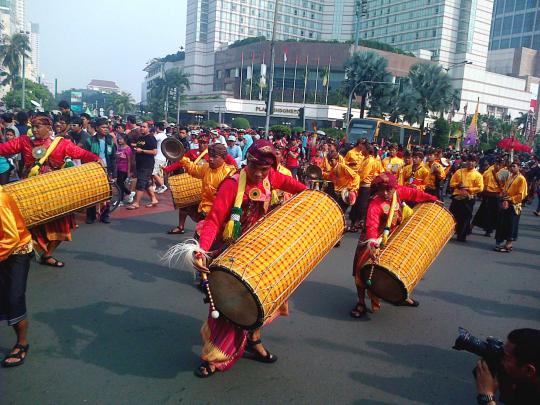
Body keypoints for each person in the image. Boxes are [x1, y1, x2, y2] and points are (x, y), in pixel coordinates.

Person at [188, 140, 306, 378]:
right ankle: (214, 356)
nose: (259, 173)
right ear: (247, 162)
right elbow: (213, 221)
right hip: (232, 252)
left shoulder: (273, 177)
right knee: (226, 307)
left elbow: (304, 192)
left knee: (264, 299)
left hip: (261, 252)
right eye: (255, 167)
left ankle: (253, 339)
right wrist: (201, 250)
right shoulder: (231, 185)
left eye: (264, 169)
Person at [0, 115, 100, 267]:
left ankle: (47, 255)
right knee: (21, 225)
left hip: (54, 193)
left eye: (38, 127)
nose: (34, 130)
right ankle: (19, 255)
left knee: (63, 225)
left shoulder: (61, 144)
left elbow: (81, 154)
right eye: (33, 127)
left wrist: (97, 159)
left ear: (49, 128)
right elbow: (3, 149)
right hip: (29, 193)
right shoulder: (24, 141)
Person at [350, 173, 438, 318]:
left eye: (389, 189)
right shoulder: (375, 204)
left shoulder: (399, 192)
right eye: (381, 190)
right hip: (374, 240)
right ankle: (360, 302)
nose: (385, 193)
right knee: (361, 270)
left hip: (395, 236)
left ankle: (402, 296)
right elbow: (372, 225)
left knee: (404, 266)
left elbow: (415, 194)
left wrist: (433, 199)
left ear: (394, 187)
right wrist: (372, 244)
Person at [165, 143, 236, 235]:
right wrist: (181, 158)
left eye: (215, 157)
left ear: (223, 158)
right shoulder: (206, 168)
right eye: (210, 156)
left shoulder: (230, 173)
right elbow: (194, 169)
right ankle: (182, 227)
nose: (210, 159)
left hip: (220, 214)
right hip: (205, 210)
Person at [0, 185, 33, 367]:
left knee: (14, 297)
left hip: (17, 250)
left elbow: (11, 238)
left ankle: (22, 343)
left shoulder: (1, 201)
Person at [474, 328, 540, 404]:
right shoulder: (527, 383)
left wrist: (486, 397)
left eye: (506, 357)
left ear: (529, 370)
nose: (501, 361)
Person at [84, 118, 117, 224]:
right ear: (97, 128)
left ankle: (105, 215)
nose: (106, 129)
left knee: (107, 194)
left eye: (107, 127)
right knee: (92, 194)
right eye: (103, 127)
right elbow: (85, 157)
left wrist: (114, 173)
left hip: (107, 170)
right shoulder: (89, 141)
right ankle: (91, 216)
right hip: (93, 171)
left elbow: (113, 158)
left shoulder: (110, 141)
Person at [494, 161, 527, 253]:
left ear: (519, 167)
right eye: (511, 166)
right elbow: (506, 188)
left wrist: (510, 199)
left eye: (514, 166)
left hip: (514, 205)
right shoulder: (511, 177)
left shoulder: (521, 179)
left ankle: (509, 244)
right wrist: (503, 194)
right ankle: (504, 243)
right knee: (505, 223)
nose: (512, 168)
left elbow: (522, 195)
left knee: (512, 224)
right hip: (506, 202)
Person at [449, 155, 484, 242]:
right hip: (457, 197)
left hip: (468, 198)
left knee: (465, 218)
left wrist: (469, 189)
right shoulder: (459, 171)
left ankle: (461, 235)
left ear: (476, 163)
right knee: (452, 216)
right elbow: (451, 183)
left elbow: (480, 188)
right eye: (469, 160)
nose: (470, 163)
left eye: (472, 161)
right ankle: (449, 233)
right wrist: (457, 185)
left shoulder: (478, 175)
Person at [349, 142, 381, 233]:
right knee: (356, 206)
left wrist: (353, 182)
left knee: (361, 207)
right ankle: (355, 223)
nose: (361, 151)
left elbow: (362, 175)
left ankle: (357, 224)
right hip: (360, 185)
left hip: (365, 186)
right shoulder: (365, 159)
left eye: (363, 149)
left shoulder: (370, 161)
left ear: (367, 150)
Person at [127, 121, 158, 210]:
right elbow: (139, 146)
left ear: (148, 128)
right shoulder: (141, 137)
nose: (142, 128)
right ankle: (154, 199)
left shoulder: (151, 138)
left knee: (140, 183)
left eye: (144, 127)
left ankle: (136, 203)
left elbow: (154, 152)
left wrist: (142, 151)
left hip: (147, 164)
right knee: (146, 182)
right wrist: (134, 146)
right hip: (140, 163)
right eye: (141, 126)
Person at [472, 158, 504, 237]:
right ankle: (471, 227)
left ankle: (489, 230)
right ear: (495, 163)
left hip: (497, 196)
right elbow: (483, 183)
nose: (498, 166)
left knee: (495, 214)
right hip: (488, 195)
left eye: (500, 164)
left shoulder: (504, 173)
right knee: (482, 212)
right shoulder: (488, 172)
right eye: (497, 164)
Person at [115, 134, 134, 204]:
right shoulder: (118, 147)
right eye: (118, 139)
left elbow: (129, 161)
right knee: (119, 184)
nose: (119, 140)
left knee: (120, 184)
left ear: (125, 140)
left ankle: (121, 200)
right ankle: (129, 193)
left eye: (121, 139)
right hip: (118, 168)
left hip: (124, 169)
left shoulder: (128, 149)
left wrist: (129, 171)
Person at [153, 122, 168, 194]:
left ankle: (163, 186)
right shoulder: (165, 136)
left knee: (153, 173)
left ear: (157, 128)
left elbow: (151, 140)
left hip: (158, 157)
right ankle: (155, 185)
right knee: (158, 173)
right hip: (163, 158)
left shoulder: (159, 135)